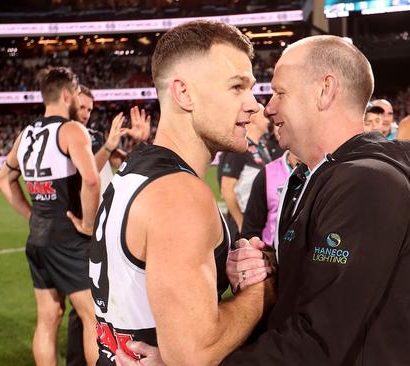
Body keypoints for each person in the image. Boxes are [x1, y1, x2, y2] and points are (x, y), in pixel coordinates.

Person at [119, 34, 410, 366]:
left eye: (280, 92)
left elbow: (319, 342)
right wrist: (268, 272)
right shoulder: (308, 178)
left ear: (324, 91)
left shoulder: (369, 183)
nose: (266, 107)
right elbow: (299, 309)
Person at [90, 20, 274, 365]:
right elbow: (194, 355)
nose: (254, 105)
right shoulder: (180, 194)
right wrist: (263, 290)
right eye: (237, 87)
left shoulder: (135, 169)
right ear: (184, 93)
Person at [0, 67, 100, 366]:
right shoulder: (71, 130)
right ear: (67, 94)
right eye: (77, 94)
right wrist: (88, 225)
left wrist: (31, 215)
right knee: (92, 317)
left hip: (38, 239)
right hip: (67, 237)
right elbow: (92, 181)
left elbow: (3, 179)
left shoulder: (25, 135)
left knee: (49, 317)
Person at [66, 85, 151, 366]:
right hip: (80, 228)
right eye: (82, 108)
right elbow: (84, 174)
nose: (86, 114)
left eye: (90, 109)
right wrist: (107, 146)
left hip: (103, 227)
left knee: (96, 303)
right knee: (85, 308)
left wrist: (141, 145)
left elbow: (127, 165)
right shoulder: (67, 138)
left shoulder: (95, 136)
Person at [218, 105, 273, 239]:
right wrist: (241, 223)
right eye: (264, 116)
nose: (268, 120)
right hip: (243, 228)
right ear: (253, 119)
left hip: (259, 222)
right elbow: (226, 188)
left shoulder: (261, 147)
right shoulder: (240, 148)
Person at [240, 149, 301, 246]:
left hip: (308, 256)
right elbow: (251, 228)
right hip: (271, 254)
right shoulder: (268, 172)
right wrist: (263, 253)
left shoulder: (323, 171)